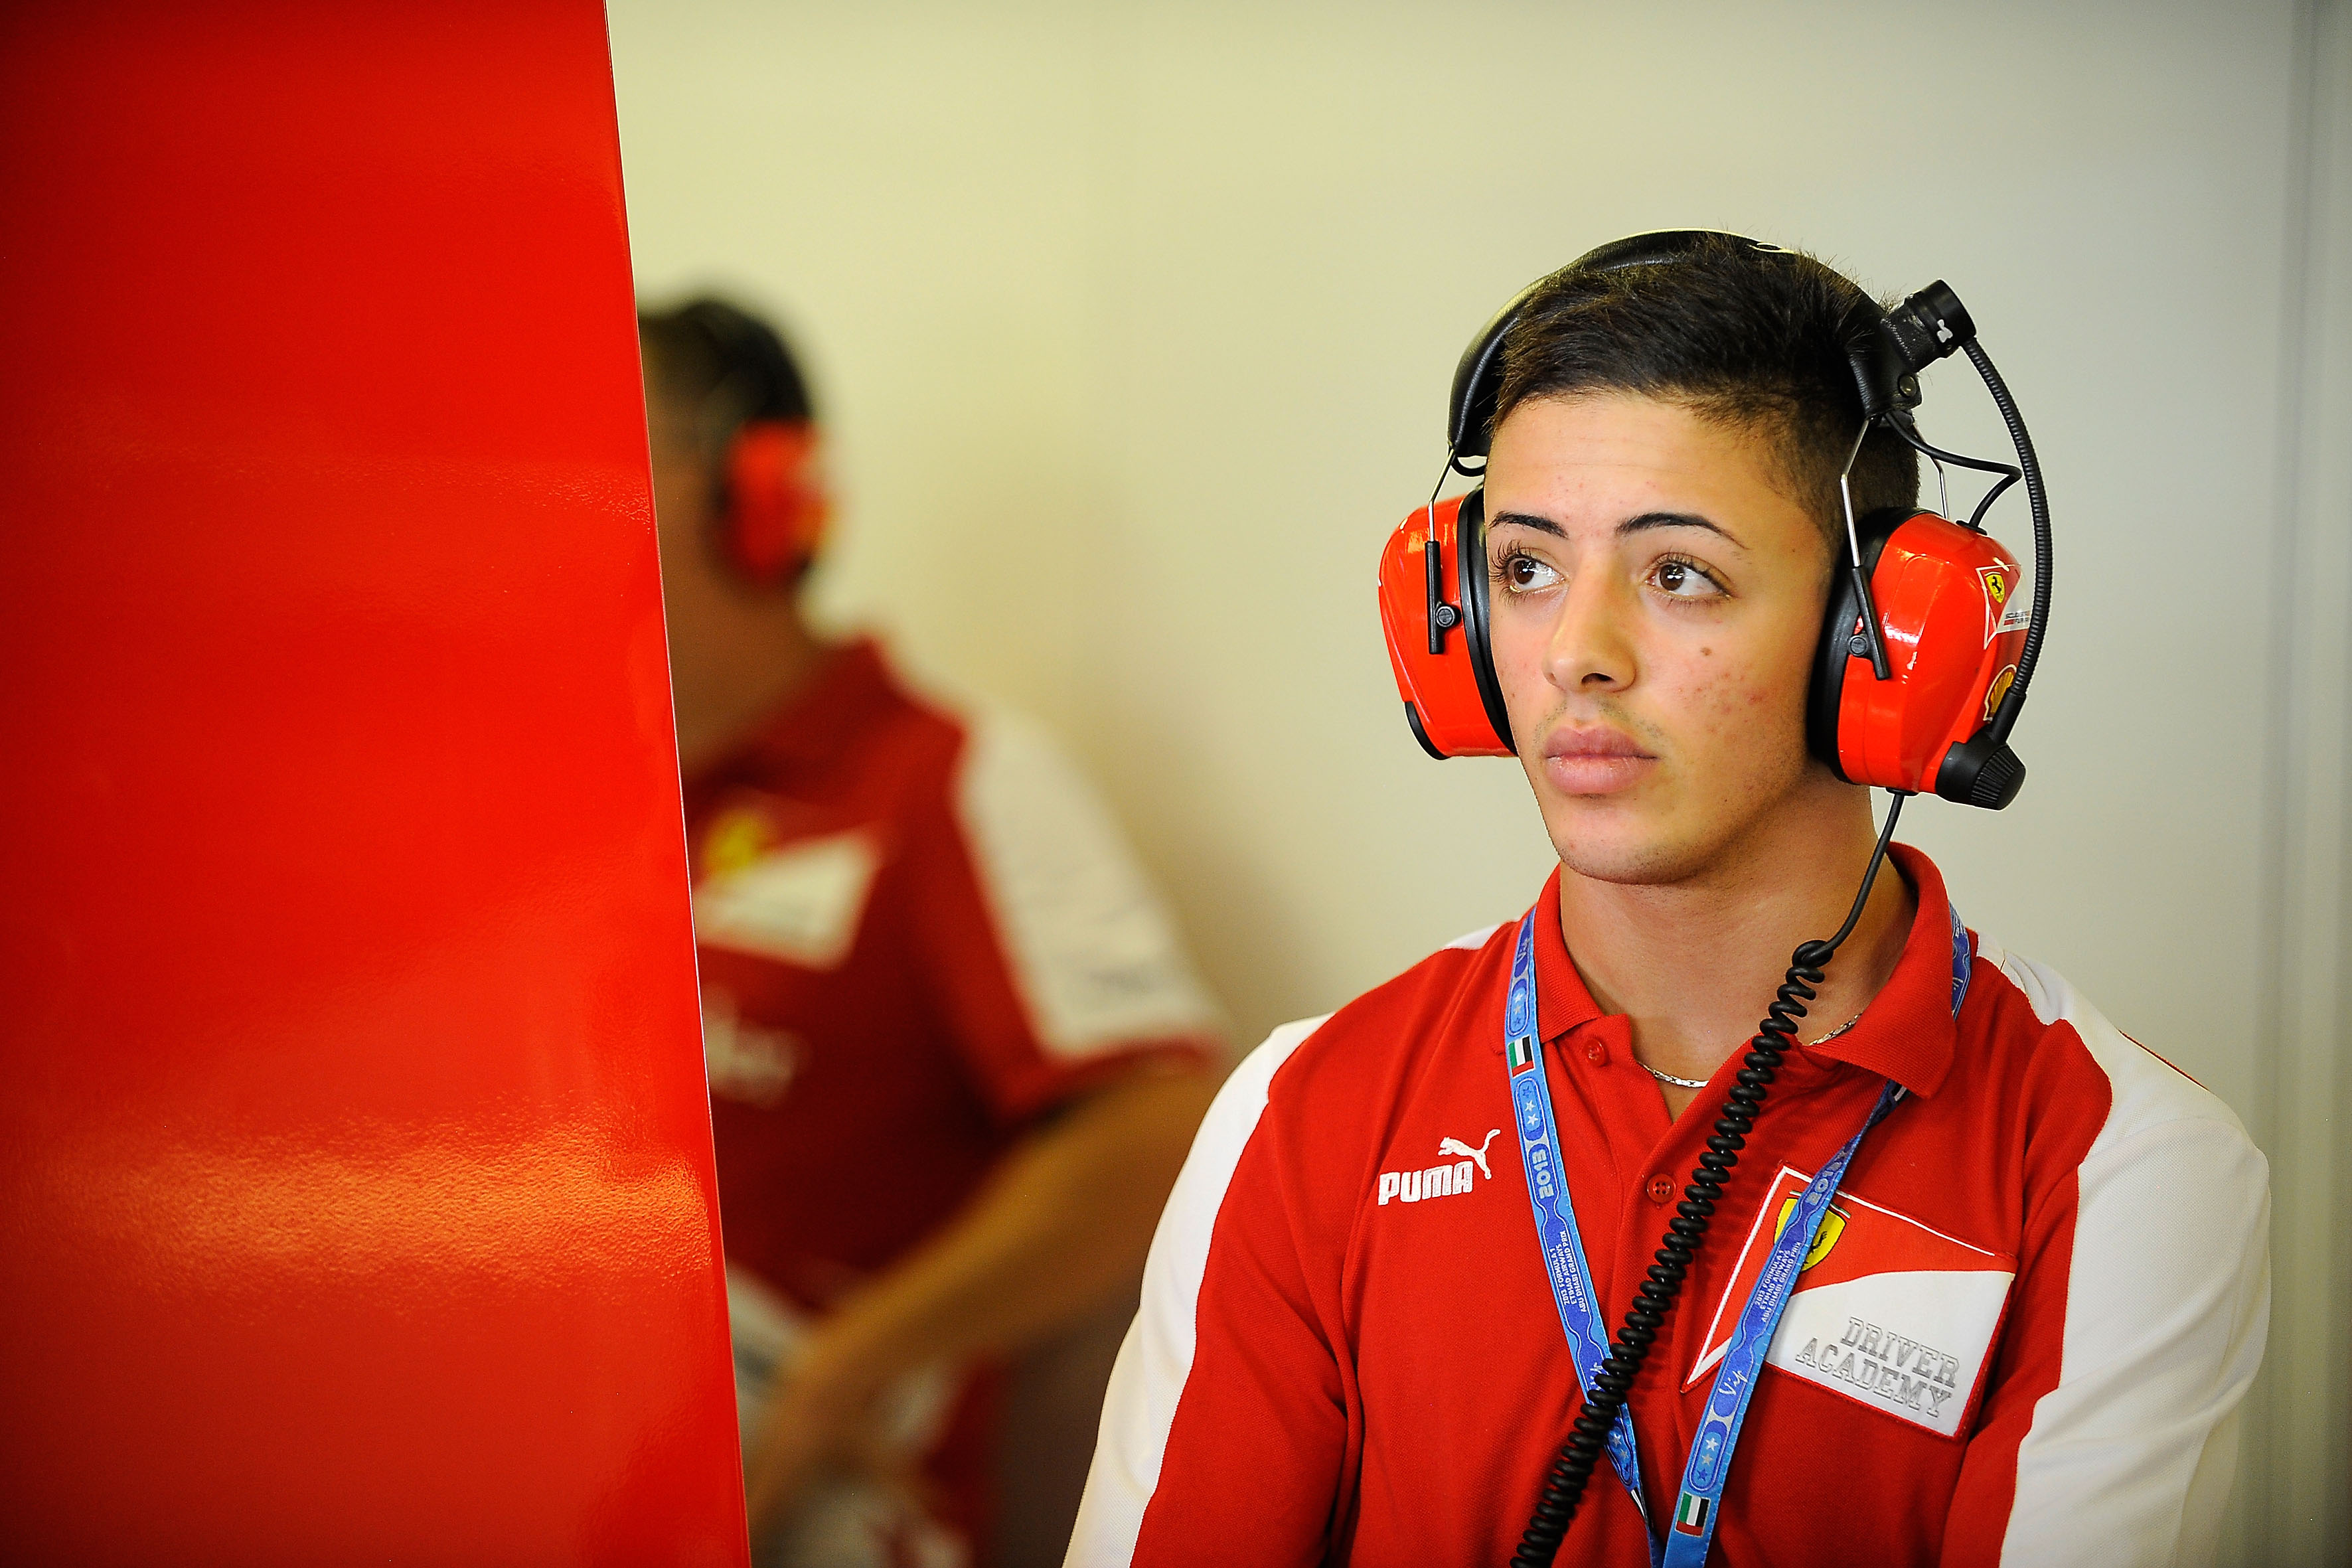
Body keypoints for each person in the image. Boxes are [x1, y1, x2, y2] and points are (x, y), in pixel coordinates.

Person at [1068, 235, 2270, 1566]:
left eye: (1677, 572)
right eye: (1526, 568)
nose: (1575, 654)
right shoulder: (1305, 1111)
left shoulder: (2120, 1165)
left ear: (1877, 639)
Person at [637, 297, 1226, 1568]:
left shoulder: (949, 776)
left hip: (826, 1495)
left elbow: (1157, 1127)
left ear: (755, 490)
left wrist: (855, 1358)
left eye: (608, 450)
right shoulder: (579, 802)